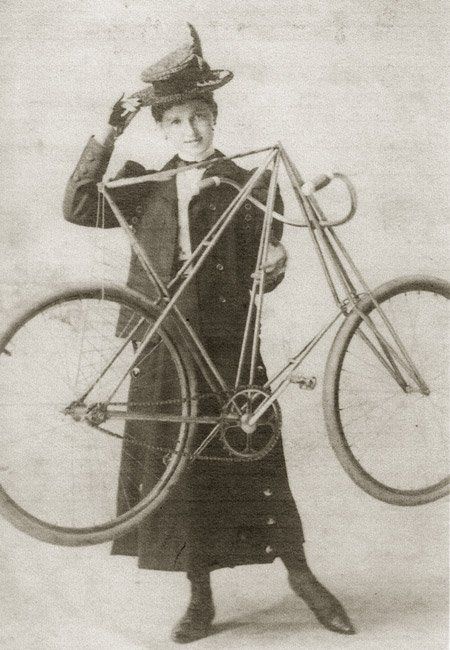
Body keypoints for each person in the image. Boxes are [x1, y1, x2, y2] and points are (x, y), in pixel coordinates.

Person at [63, 24, 355, 645]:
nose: (191, 130)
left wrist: (276, 262)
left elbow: (266, 262)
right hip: (162, 344)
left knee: (256, 456)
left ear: (214, 118)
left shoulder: (250, 182)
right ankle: (200, 598)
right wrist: (109, 131)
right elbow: (79, 204)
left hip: (228, 343)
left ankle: (303, 578)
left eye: (200, 117)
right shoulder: (143, 186)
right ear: (161, 129)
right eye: (175, 121)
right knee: (180, 477)